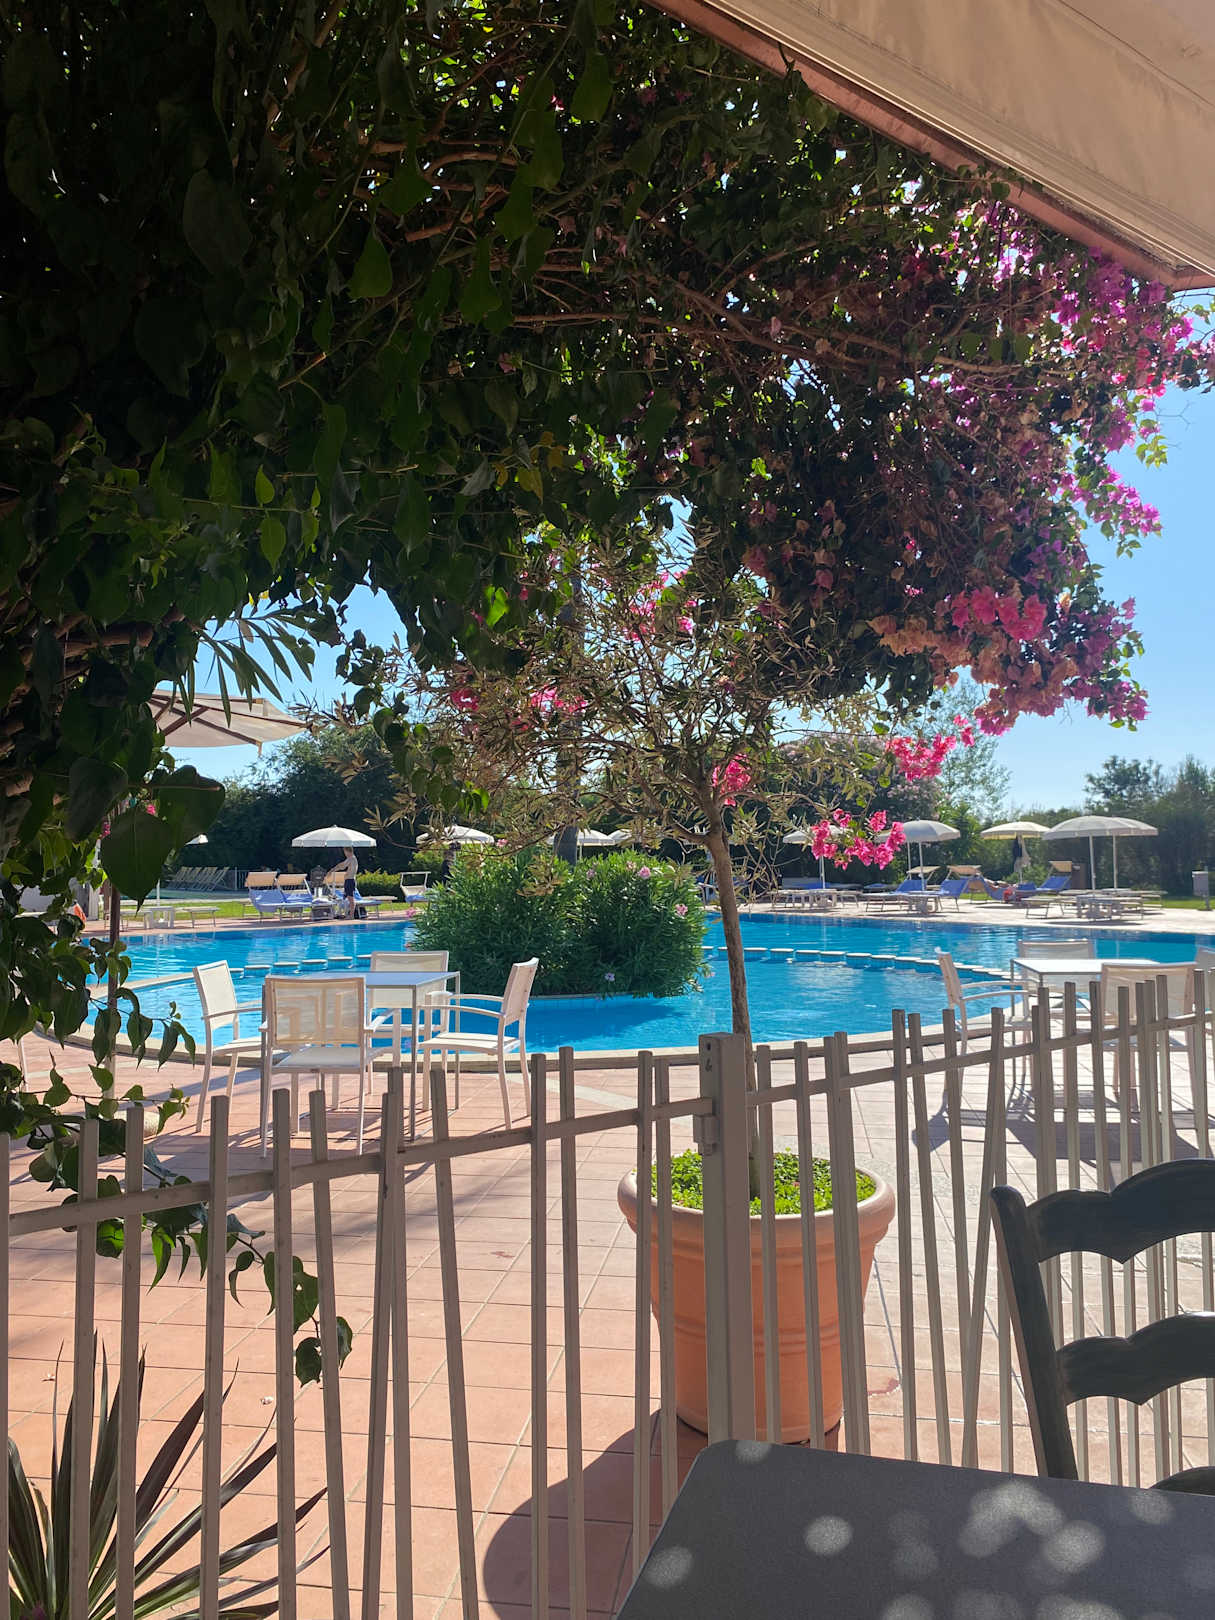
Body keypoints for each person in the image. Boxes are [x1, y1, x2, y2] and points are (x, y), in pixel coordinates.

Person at [337, 845, 359, 918]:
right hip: (349, 880)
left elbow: (343, 866)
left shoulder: (351, 858)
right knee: (348, 898)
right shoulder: (353, 858)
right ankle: (349, 914)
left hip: (350, 881)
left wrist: (334, 868)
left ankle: (351, 915)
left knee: (350, 898)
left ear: (347, 851)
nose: (345, 854)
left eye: (344, 852)